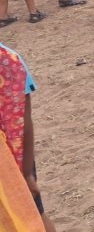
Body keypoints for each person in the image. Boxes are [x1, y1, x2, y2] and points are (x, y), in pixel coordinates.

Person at [0, 43, 58, 231]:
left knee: (33, 216)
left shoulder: (9, 60)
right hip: (16, 159)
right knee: (34, 215)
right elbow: (25, 123)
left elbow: (25, 123)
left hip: (14, 162)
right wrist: (27, 174)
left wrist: (26, 174)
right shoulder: (10, 59)